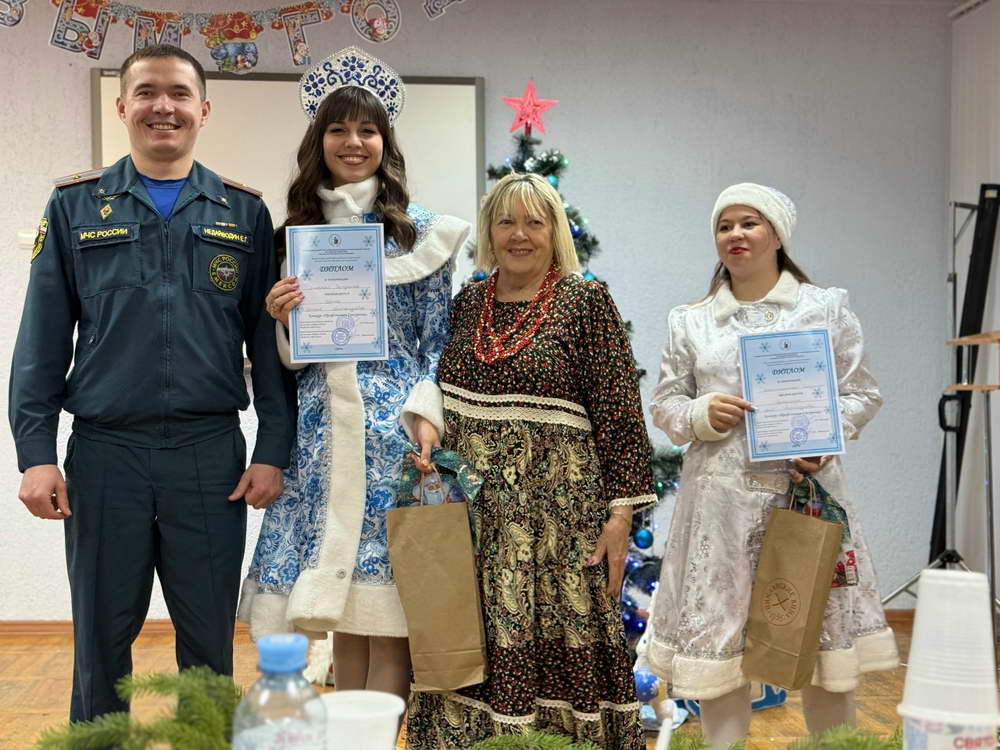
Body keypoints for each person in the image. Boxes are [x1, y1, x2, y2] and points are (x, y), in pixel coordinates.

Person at [9, 44, 296, 722]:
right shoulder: (76, 207)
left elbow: (267, 341)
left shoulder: (243, 213)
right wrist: (35, 453)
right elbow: (40, 341)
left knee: (209, 643)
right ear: (122, 106)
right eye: (146, 92)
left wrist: (272, 449)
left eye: (177, 93)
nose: (162, 106)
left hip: (209, 456)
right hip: (106, 455)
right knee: (101, 643)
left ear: (203, 109)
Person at [236, 46, 471, 707]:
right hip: (321, 441)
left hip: (394, 438)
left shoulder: (419, 234)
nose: (353, 142)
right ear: (320, 140)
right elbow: (290, 362)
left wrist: (425, 419)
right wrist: (281, 321)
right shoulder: (294, 234)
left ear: (385, 142)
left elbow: (437, 343)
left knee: (388, 616)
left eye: (367, 129)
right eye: (338, 128)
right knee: (344, 616)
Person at [406, 173, 655, 750]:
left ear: (554, 231)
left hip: (560, 527)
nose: (519, 234)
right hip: (476, 524)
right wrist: (428, 430)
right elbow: (439, 388)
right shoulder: (469, 302)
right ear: (489, 231)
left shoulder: (585, 302)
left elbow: (620, 412)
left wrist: (621, 515)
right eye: (506, 222)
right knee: (468, 645)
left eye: (534, 222)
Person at [645, 183, 899, 748]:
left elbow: (862, 393)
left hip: (806, 498)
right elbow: (665, 405)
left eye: (749, 223)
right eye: (724, 226)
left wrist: (827, 438)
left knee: (822, 641)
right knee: (721, 649)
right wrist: (702, 413)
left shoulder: (823, 308)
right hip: (720, 508)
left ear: (777, 234)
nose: (735, 235)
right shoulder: (691, 321)